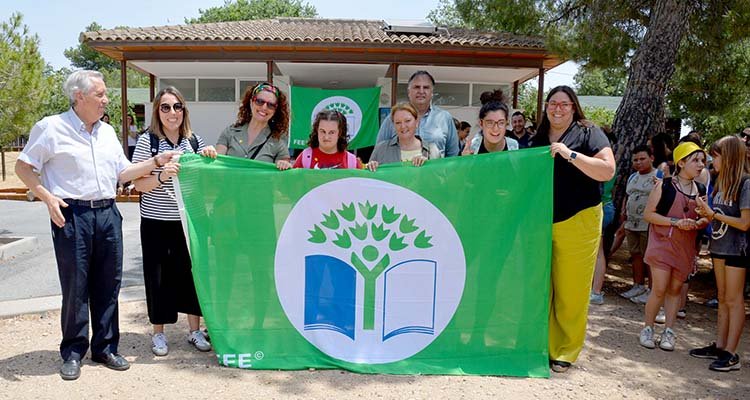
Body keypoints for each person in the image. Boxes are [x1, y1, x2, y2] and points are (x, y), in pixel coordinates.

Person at [14, 70, 178, 380]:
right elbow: (24, 167)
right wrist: (47, 198)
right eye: (100, 94)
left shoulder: (107, 132)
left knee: (108, 284)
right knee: (76, 286)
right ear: (79, 97)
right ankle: (73, 351)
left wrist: (158, 162)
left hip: (107, 214)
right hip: (72, 214)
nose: (106, 99)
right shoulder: (51, 128)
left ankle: (105, 347)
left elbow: (125, 173)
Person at [530, 85, 615, 373]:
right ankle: (541, 344)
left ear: (574, 106)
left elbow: (607, 170)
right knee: (541, 287)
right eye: (552, 103)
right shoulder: (537, 137)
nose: (557, 108)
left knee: (571, 289)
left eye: (564, 104)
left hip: (579, 219)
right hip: (541, 221)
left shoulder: (589, 132)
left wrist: (570, 155)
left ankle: (565, 350)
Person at [131, 87, 217, 357]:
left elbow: (207, 177)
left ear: (184, 111)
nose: (172, 113)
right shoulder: (149, 143)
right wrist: (162, 176)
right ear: (158, 111)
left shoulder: (193, 141)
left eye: (177, 107)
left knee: (192, 275)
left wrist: (211, 157)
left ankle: (194, 330)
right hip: (156, 222)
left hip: (188, 221)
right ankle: (158, 334)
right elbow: (137, 184)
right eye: (166, 107)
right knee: (158, 278)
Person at [638, 142, 709, 352]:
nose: (701, 165)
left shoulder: (702, 189)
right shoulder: (665, 185)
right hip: (662, 243)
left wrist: (698, 223)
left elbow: (706, 217)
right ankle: (648, 328)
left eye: (702, 160)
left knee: (675, 290)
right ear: (681, 162)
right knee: (659, 288)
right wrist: (675, 222)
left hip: (685, 246)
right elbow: (649, 215)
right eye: (695, 160)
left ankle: (669, 330)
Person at [691, 135, 749, 372]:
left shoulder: (746, 183)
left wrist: (713, 214)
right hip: (719, 247)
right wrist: (704, 214)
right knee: (723, 298)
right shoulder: (722, 183)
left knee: (734, 300)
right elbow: (717, 216)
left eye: (716, 156)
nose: (713, 161)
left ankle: (732, 353)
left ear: (730, 157)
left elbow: (745, 223)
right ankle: (721, 345)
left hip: (738, 250)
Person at [376, 70, 459, 157]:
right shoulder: (392, 119)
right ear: (409, 92)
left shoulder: (444, 118)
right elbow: (380, 152)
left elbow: (453, 155)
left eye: (426, 87)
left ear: (432, 93)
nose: (421, 91)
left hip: (435, 170)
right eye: (416, 87)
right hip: (401, 170)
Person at [216, 82, 291, 167]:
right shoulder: (229, 132)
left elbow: (282, 173)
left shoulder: (278, 141)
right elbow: (217, 162)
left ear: (275, 111)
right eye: (259, 101)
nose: (264, 107)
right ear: (251, 102)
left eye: (271, 105)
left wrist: (284, 165)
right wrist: (209, 154)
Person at [618, 145, 658, 302]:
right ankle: (637, 285)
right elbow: (627, 196)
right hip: (631, 223)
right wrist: (623, 212)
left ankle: (652, 290)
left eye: (642, 159)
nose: (639, 162)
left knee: (649, 256)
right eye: (635, 160)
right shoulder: (632, 177)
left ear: (651, 158)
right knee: (635, 254)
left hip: (648, 224)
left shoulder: (658, 175)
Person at [367, 103, 438, 171]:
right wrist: (371, 167)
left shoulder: (432, 150)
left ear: (417, 122)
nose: (403, 126)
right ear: (393, 125)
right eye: (398, 123)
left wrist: (429, 165)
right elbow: (370, 180)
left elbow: (441, 179)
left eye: (407, 121)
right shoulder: (381, 149)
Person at [287, 109, 361, 169]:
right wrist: (284, 167)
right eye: (323, 131)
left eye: (331, 132)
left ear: (340, 133)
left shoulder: (352, 162)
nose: (326, 137)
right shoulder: (305, 157)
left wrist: (372, 167)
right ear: (316, 131)